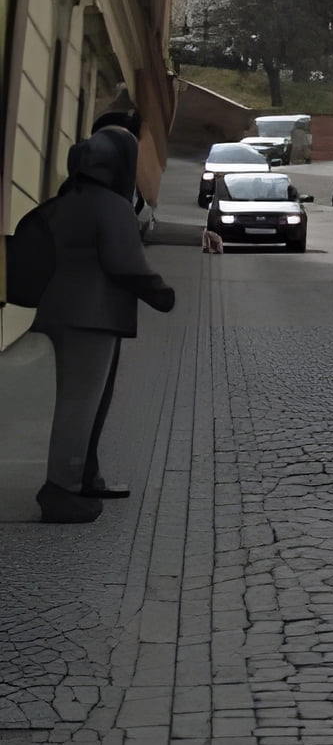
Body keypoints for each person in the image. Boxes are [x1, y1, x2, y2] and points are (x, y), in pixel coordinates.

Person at [32, 116, 174, 524]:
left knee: (82, 401)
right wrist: (160, 293)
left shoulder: (65, 200)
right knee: (80, 406)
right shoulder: (112, 206)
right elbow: (126, 262)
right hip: (93, 318)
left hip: (57, 310)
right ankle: (61, 490)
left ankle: (85, 476)